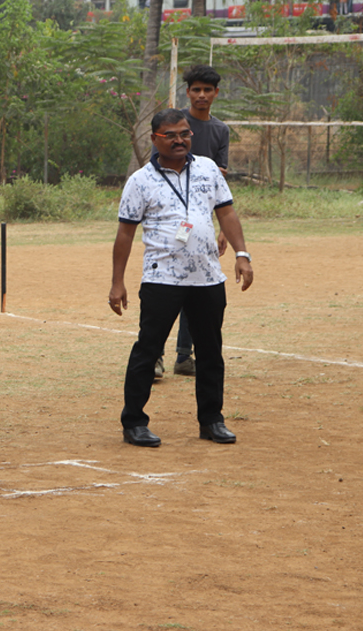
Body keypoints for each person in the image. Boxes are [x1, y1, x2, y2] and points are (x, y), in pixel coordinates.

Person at [109, 108, 253, 448]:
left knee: (210, 351)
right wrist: (117, 282)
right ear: (154, 139)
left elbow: (227, 213)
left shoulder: (207, 169)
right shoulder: (140, 181)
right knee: (148, 350)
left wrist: (242, 254)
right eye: (171, 135)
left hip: (207, 278)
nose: (179, 140)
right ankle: (134, 422)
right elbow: (125, 235)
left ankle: (212, 420)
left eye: (185, 133)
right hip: (162, 279)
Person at [156, 64, 231, 380]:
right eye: (196, 89)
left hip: (200, 225)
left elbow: (219, 186)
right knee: (165, 291)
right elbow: (157, 172)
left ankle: (185, 357)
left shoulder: (220, 131)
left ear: (215, 93)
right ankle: (155, 356)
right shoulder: (174, 123)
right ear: (187, 92)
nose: (202, 95)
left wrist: (222, 227)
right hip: (169, 223)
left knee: (198, 286)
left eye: (207, 90)